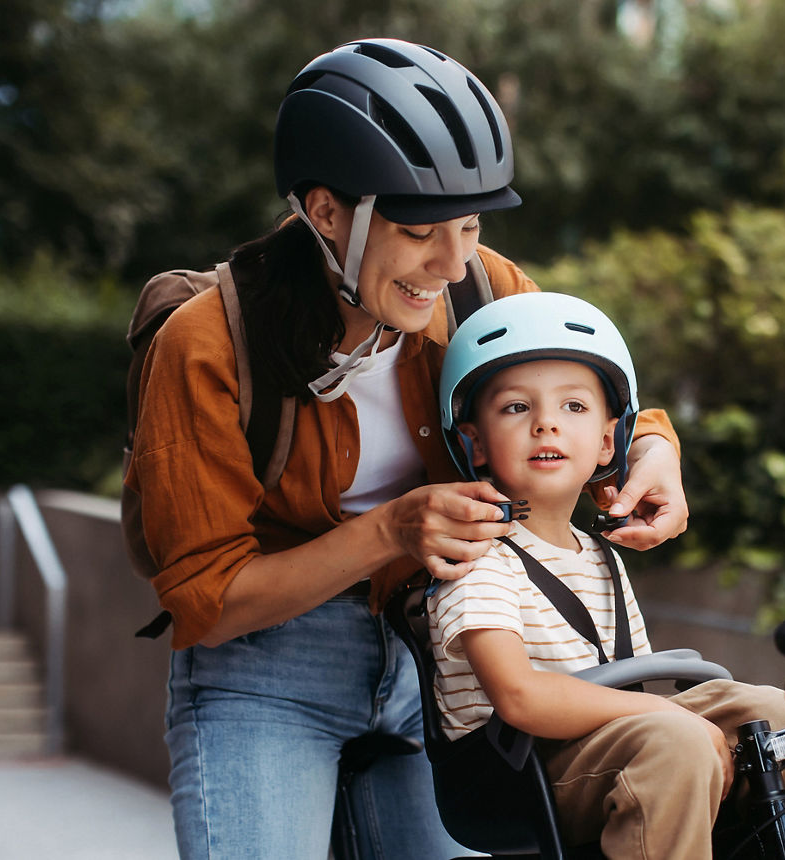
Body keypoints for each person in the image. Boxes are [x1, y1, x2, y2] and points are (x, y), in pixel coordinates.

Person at [123, 38, 689, 859]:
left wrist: (654, 455)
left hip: (447, 663)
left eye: (469, 225)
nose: (451, 261)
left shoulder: (479, 289)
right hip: (268, 674)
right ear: (326, 213)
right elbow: (205, 600)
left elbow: (590, 399)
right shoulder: (207, 343)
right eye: (421, 230)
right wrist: (391, 531)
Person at [428, 292, 785, 860]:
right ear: (473, 441)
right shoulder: (479, 557)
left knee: (776, 720)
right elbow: (519, 697)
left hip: (604, 743)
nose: (547, 423)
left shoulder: (601, 554)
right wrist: (669, 715)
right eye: (515, 408)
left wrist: (672, 714)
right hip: (518, 770)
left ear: (609, 441)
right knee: (675, 740)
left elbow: (633, 679)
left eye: (574, 407)